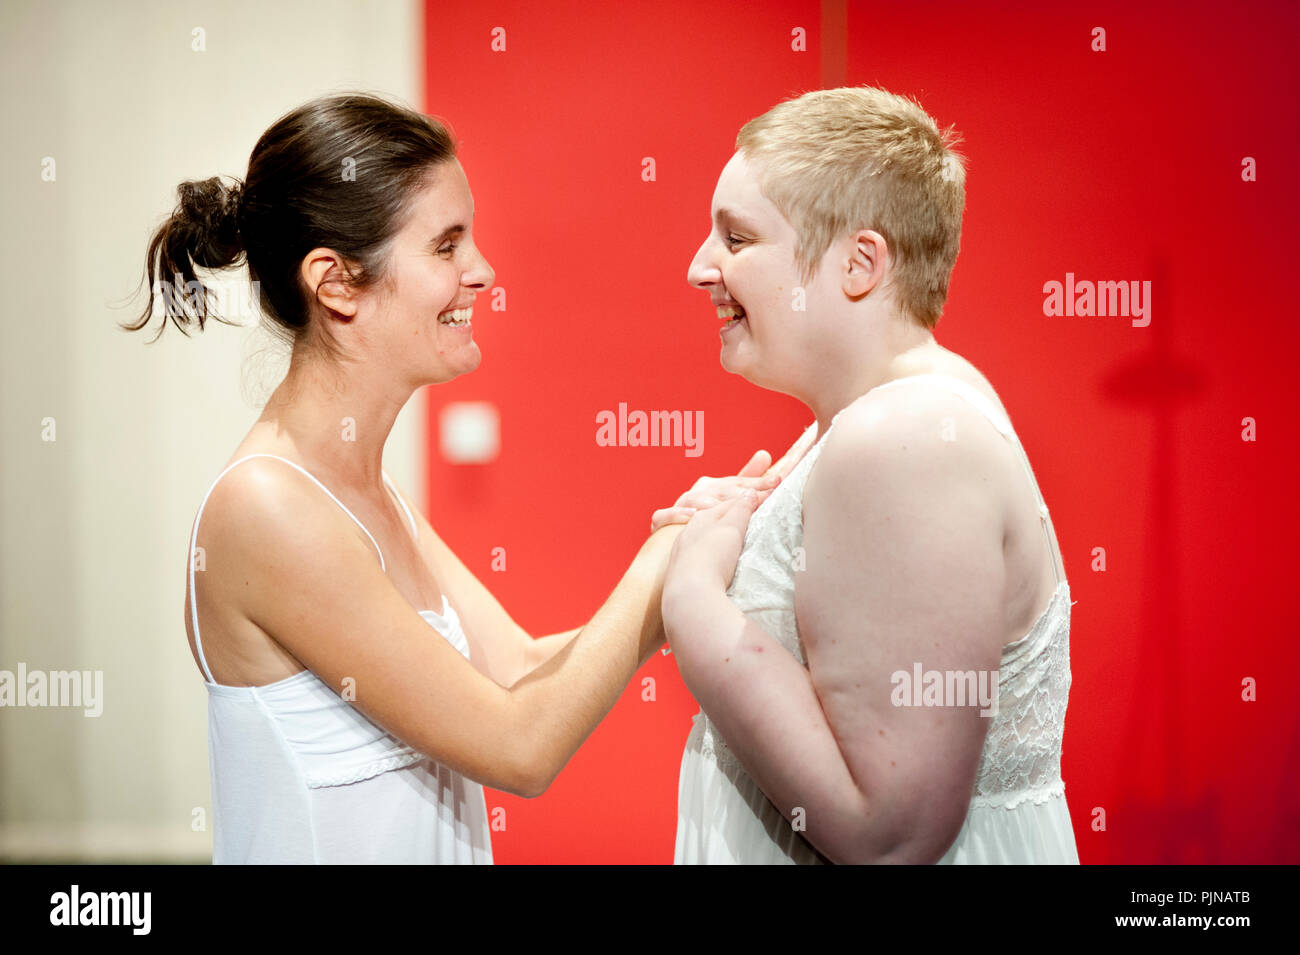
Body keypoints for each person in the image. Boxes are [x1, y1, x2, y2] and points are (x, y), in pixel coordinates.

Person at [125, 92, 780, 864]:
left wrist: (695, 564)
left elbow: (523, 669)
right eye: (446, 246)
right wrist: (666, 557)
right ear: (336, 284)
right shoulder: (267, 507)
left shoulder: (366, 490)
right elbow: (518, 744)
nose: (483, 271)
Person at [661, 86, 1081, 864]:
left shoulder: (903, 436)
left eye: (737, 237)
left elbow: (888, 832)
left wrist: (692, 600)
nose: (699, 267)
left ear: (860, 262)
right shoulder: (873, 417)